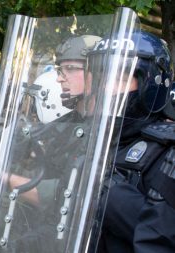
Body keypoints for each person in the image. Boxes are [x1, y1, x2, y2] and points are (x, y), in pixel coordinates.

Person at [97, 31, 175, 253]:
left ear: (150, 84)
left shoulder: (168, 151)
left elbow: (157, 241)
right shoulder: (99, 140)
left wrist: (105, 192)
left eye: (120, 79)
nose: (106, 88)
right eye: (103, 77)